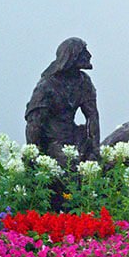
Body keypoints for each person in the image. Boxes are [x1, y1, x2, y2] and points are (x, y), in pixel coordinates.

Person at [24, 37, 100, 166]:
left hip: (74, 137)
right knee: (71, 166)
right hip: (51, 142)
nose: (89, 55)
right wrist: (33, 156)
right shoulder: (47, 85)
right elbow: (34, 123)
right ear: (73, 56)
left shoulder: (84, 82)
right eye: (84, 52)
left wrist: (95, 150)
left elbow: (92, 116)